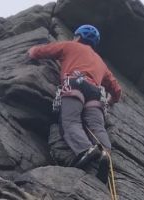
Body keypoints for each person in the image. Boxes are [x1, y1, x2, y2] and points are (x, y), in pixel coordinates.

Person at [28, 25, 121, 183]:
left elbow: (44, 51)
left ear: (78, 37)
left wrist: (32, 51)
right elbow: (116, 89)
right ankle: (106, 155)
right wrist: (112, 100)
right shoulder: (100, 62)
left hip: (75, 84)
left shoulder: (71, 46)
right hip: (95, 93)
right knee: (97, 127)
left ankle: (85, 150)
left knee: (71, 121)